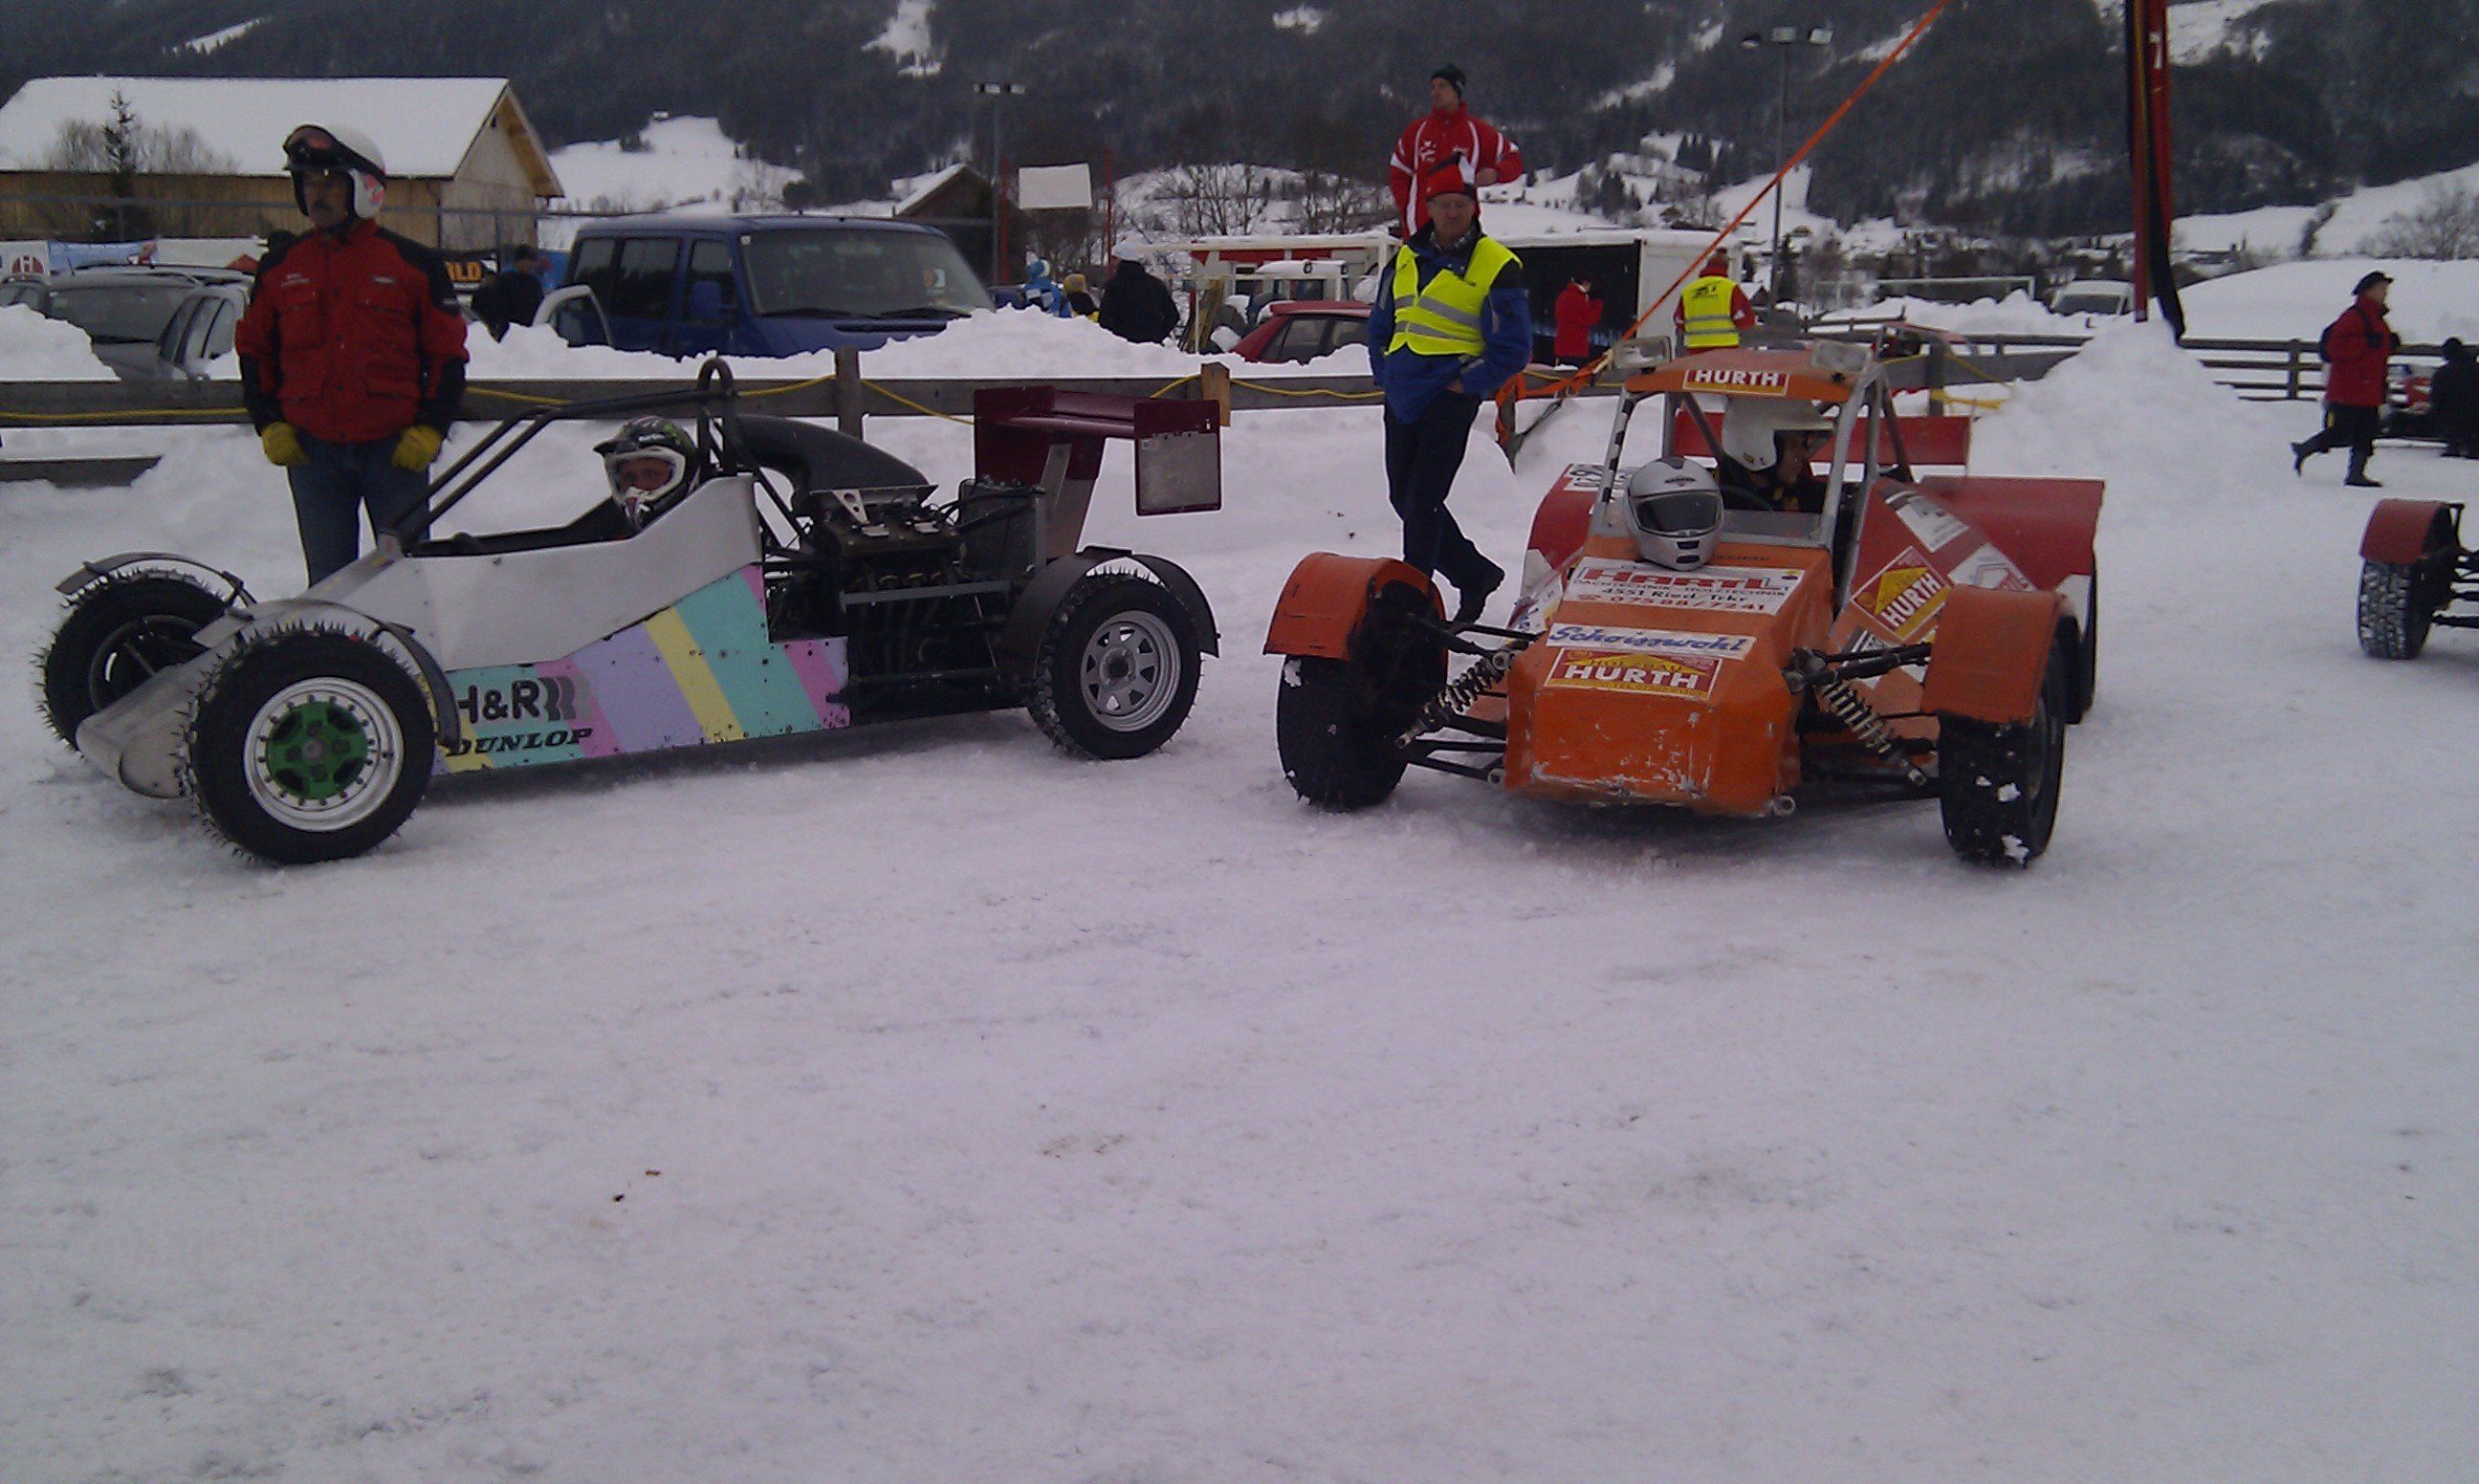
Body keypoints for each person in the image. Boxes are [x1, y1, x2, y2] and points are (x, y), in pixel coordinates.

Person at [236, 123, 469, 585]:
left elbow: (447, 355)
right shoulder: (280, 268)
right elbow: (255, 350)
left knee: (407, 581)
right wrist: (269, 422)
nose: (317, 195)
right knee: (329, 585)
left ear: (364, 189)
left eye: (329, 183)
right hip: (313, 454)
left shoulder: (414, 265)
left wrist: (430, 428)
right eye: (308, 183)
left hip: (395, 454)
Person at [1366, 158, 1532, 623]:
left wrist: (1467, 384)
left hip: (1448, 397)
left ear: (1474, 208)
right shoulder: (1404, 257)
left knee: (1422, 503)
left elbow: (1515, 348)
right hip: (1402, 394)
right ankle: (1474, 574)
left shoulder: (1497, 264)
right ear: (1429, 207)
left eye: (1461, 204)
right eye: (1444, 204)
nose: (1452, 212)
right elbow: (1381, 322)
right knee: (1403, 498)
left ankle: (1413, 608)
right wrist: (1385, 371)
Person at [1388, 64, 1525, 239]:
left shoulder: (1477, 131)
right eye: (1433, 87)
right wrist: (1407, 207)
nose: (1435, 92)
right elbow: (1398, 171)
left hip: (1463, 235)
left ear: (1457, 91)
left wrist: (1496, 174)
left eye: (1442, 86)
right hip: (1418, 234)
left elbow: (1513, 159)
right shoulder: (1417, 131)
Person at [2293, 271, 2400, 488]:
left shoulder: (2375, 319)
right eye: (2381, 289)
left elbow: (2375, 351)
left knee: (2366, 432)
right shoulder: (2354, 317)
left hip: (2367, 388)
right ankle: (2304, 450)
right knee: (2341, 431)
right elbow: (2337, 348)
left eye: (2385, 289)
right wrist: (2367, 342)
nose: (2384, 293)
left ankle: (2355, 473)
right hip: (2351, 388)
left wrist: (2389, 344)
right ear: (2367, 291)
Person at [1717, 401, 1834, 514]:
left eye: (1804, 443)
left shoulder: (1814, 498)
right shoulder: (1711, 498)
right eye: (1793, 445)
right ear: (1757, 445)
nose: (1803, 454)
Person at [1098, 238, 1179, 345]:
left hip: (1123, 348)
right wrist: (1158, 336)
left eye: (1114, 258)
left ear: (1123, 259)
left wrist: (1116, 338)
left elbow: (1104, 320)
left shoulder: (1114, 286)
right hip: (1151, 348)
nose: (1111, 262)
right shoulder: (1156, 284)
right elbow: (1173, 315)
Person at [1674, 253, 1756, 352]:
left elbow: (1679, 320)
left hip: (1695, 348)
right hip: (1725, 347)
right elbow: (1746, 319)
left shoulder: (1688, 290)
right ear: (1726, 268)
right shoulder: (1730, 288)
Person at [472, 246, 548, 340]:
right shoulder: (503, 281)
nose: (531, 265)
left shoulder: (534, 283)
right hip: (507, 332)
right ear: (518, 262)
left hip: (527, 332)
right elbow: (488, 306)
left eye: (532, 262)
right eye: (528, 261)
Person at [2429, 338, 2479, 459]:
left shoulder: (2442, 373)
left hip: (2451, 420)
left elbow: (2436, 400)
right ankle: (2472, 446)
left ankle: (2453, 445)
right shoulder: (2476, 369)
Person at [1552, 273, 1603, 367]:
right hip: (1576, 347)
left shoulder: (1563, 295)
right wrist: (1597, 303)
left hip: (1561, 345)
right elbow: (1591, 319)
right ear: (1585, 283)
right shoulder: (1580, 298)